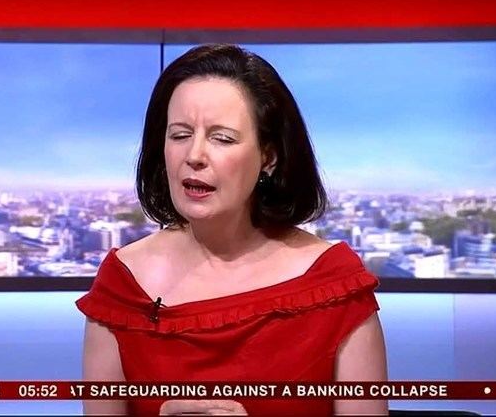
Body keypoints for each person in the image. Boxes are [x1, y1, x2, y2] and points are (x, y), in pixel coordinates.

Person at [76, 44, 388, 416]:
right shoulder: (122, 286)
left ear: (268, 158)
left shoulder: (336, 288)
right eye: (179, 135)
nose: (194, 155)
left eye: (222, 138)